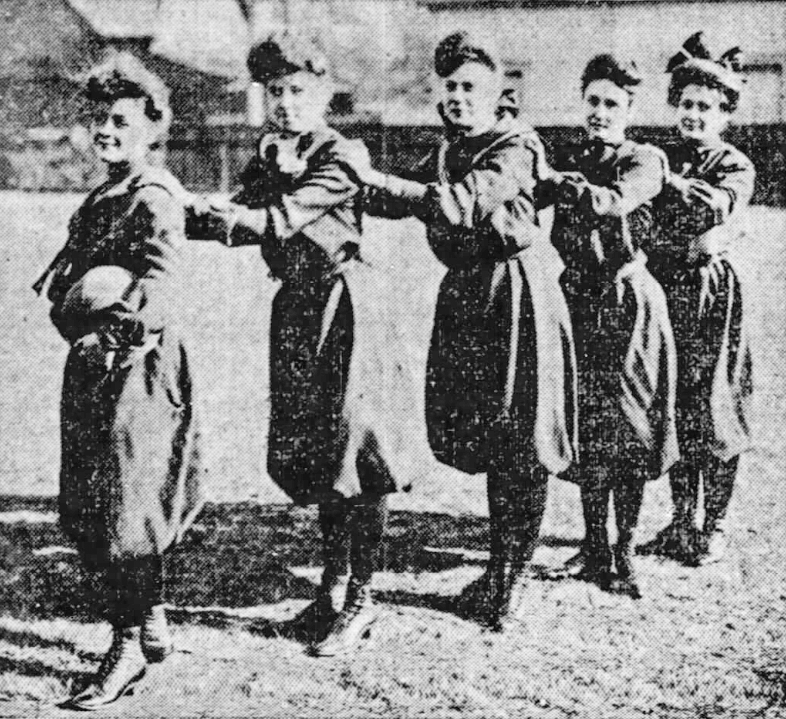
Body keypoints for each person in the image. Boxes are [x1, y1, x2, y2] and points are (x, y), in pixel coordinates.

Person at [185, 32, 417, 657]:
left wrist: (228, 213)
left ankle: (362, 599)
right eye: (275, 92)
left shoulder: (342, 154)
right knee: (319, 453)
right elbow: (235, 220)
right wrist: (172, 206)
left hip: (349, 308)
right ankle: (332, 588)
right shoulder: (272, 152)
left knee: (357, 455)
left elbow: (278, 217)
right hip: (298, 309)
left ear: (323, 93)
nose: (285, 103)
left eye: (297, 91)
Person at [340, 31, 578, 630]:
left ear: (501, 96)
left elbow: (459, 204)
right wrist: (343, 176)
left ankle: (511, 576)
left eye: (471, 87)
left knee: (521, 441)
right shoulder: (451, 149)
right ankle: (501, 568)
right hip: (468, 300)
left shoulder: (513, 148)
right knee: (490, 434)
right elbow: (404, 198)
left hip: (516, 297)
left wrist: (384, 182)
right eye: (449, 86)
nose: (457, 96)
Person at [33, 53, 203, 709]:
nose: (106, 130)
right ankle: (149, 613)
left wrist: (116, 332)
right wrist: (77, 320)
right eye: (99, 119)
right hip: (94, 366)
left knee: (126, 504)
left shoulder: (153, 196)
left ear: (151, 128)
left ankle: (126, 644)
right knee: (97, 497)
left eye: (120, 120)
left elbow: (160, 286)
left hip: (138, 368)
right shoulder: (102, 195)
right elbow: (64, 284)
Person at [537, 55, 679, 598]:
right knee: (588, 422)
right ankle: (593, 544)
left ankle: (626, 551)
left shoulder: (645, 158)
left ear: (629, 108)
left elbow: (614, 202)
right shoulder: (572, 155)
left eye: (611, 104)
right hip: (577, 299)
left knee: (632, 424)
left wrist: (561, 183)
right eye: (592, 102)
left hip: (627, 302)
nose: (599, 113)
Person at [640, 32, 754, 566]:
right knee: (677, 406)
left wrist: (668, 203)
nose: (694, 115)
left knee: (716, 407)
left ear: (725, 114)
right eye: (686, 104)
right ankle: (681, 520)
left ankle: (715, 524)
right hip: (665, 294)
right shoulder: (659, 158)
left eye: (706, 107)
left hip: (711, 301)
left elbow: (713, 217)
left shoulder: (734, 165)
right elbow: (642, 225)